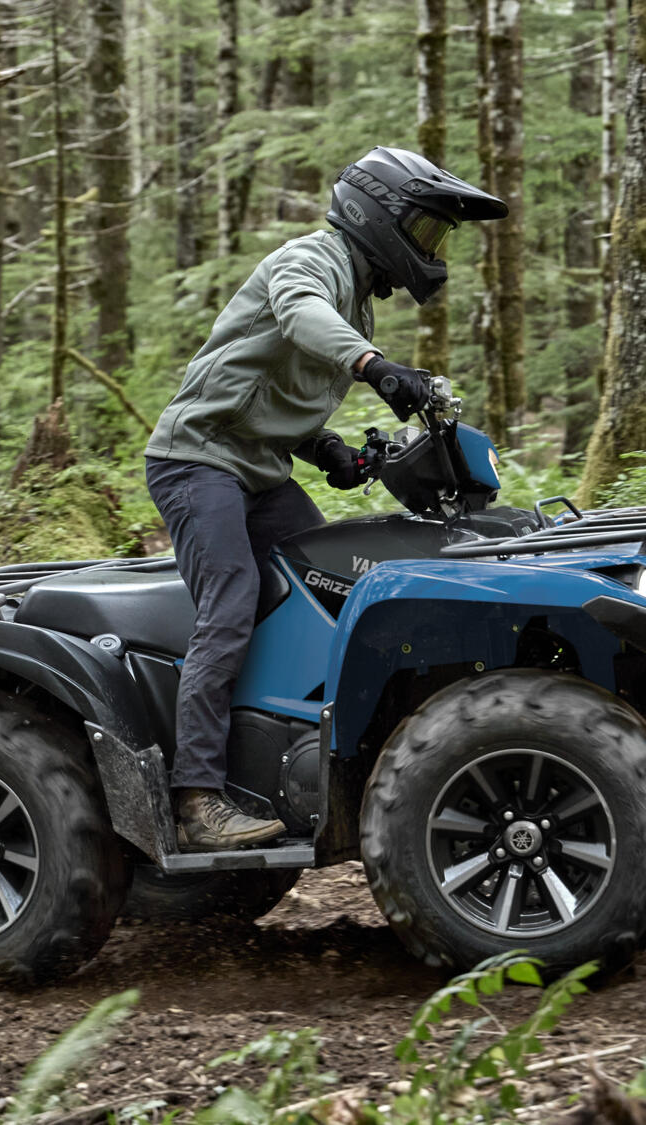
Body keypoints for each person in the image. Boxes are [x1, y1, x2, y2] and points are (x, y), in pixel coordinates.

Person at [143, 146, 508, 851]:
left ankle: (287, 754)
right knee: (233, 601)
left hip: (258, 469)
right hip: (198, 460)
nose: (430, 248)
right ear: (378, 215)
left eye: (437, 236)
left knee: (330, 585)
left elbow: (276, 388)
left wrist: (328, 450)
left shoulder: (358, 304)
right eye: (425, 229)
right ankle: (197, 797)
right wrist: (374, 367)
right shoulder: (312, 260)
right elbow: (299, 316)